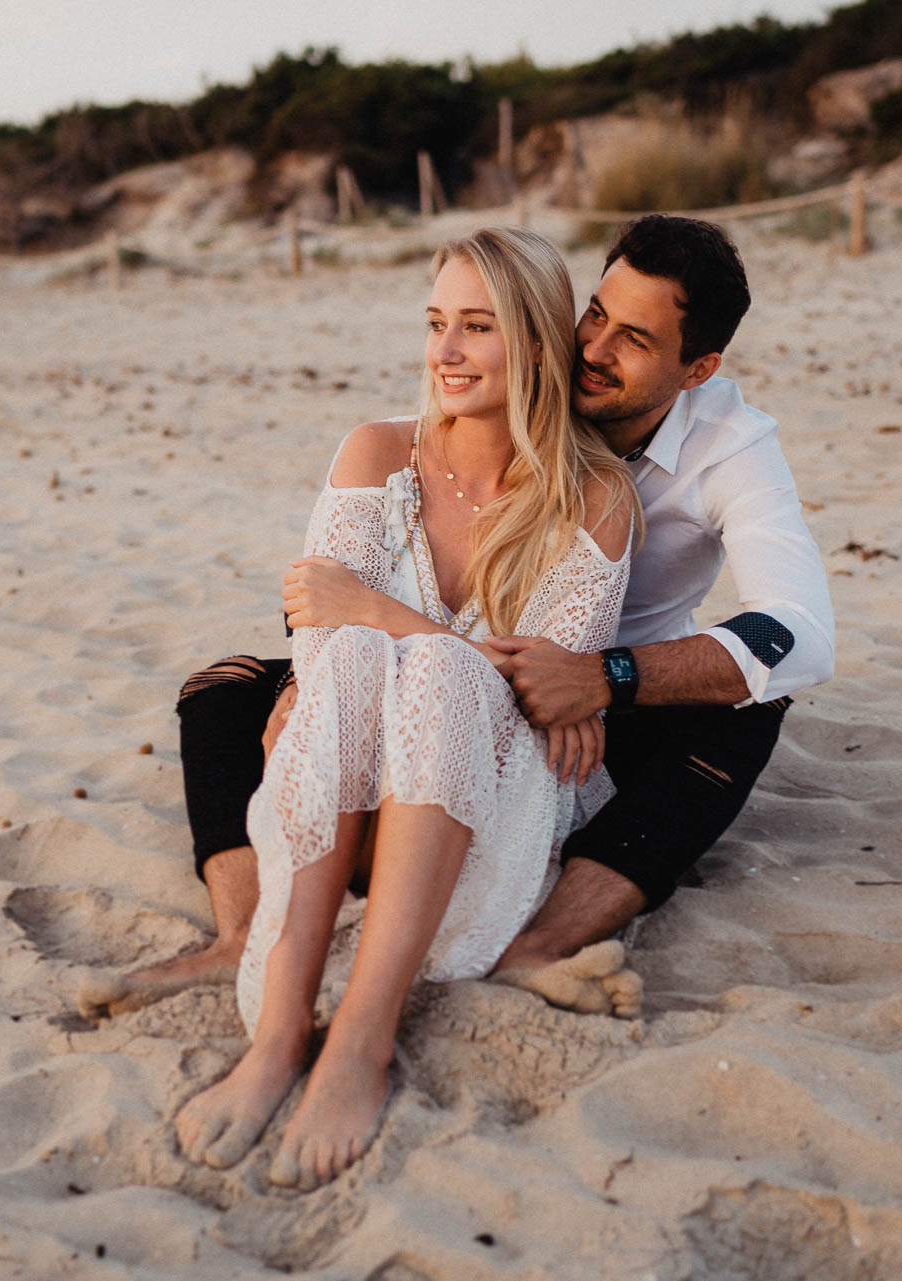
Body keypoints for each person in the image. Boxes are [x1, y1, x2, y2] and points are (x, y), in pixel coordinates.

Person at [83, 213, 833, 1023]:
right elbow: (333, 581)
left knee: (747, 711)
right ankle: (241, 932)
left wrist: (605, 676)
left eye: (635, 341)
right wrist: (317, 668)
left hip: (592, 704)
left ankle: (538, 943)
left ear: (698, 369)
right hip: (419, 666)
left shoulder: (731, 449)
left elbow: (798, 630)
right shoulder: (511, 387)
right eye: (594, 315)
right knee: (226, 690)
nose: (595, 349)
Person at [171, 227, 638, 1189]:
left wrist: (385, 615)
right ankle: (280, 1032)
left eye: (477, 328)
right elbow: (315, 617)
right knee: (341, 661)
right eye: (436, 325)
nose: (446, 353)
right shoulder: (375, 452)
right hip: (353, 786)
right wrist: (354, 638)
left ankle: (361, 1042)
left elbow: (540, 694)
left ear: (539, 347)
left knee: (430, 669)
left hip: (489, 811)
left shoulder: (595, 496)